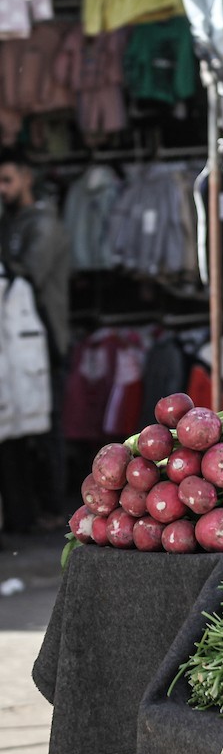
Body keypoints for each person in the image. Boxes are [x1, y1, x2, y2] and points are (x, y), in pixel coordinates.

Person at [0, 148, 70, 533]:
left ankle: (54, 506)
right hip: (14, 343)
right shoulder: (10, 222)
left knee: (48, 428)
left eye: (7, 180)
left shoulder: (44, 225)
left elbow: (29, 274)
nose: (3, 189)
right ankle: (23, 512)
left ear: (27, 177)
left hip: (46, 340)